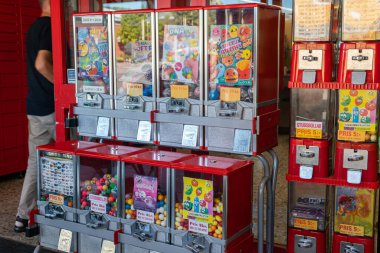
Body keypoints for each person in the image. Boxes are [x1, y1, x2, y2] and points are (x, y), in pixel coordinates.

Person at [14, 0, 55, 232]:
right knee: (71, 158)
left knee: (35, 163)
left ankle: (22, 216)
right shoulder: (49, 26)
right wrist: (61, 85)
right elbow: (42, 63)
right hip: (51, 106)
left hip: (35, 106)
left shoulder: (33, 27)